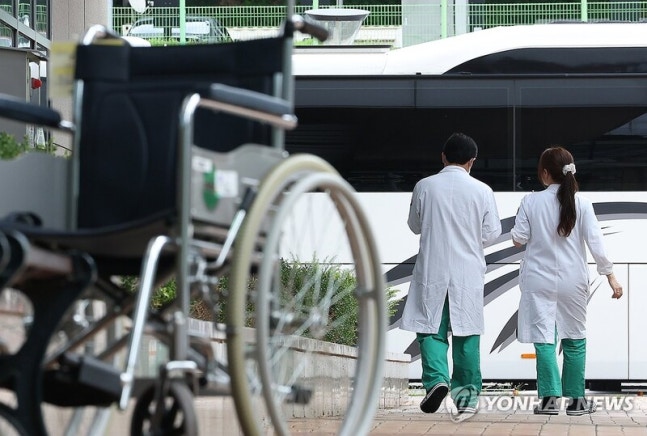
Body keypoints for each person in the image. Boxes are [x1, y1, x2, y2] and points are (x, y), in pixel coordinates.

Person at [511, 146, 623, 416]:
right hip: (573, 281)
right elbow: (596, 244)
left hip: (538, 280)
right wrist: (611, 276)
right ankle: (576, 402)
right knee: (575, 338)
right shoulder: (582, 203)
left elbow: (518, 239)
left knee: (544, 339)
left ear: (544, 173)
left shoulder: (530, 201)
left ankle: (549, 401)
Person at [401, 132, 502, 415]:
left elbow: (414, 225)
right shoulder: (482, 190)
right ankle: (466, 399)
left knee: (430, 328)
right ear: (472, 161)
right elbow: (492, 233)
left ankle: (436, 380)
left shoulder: (424, 186)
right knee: (466, 334)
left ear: (443, 157)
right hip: (467, 272)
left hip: (432, 268)